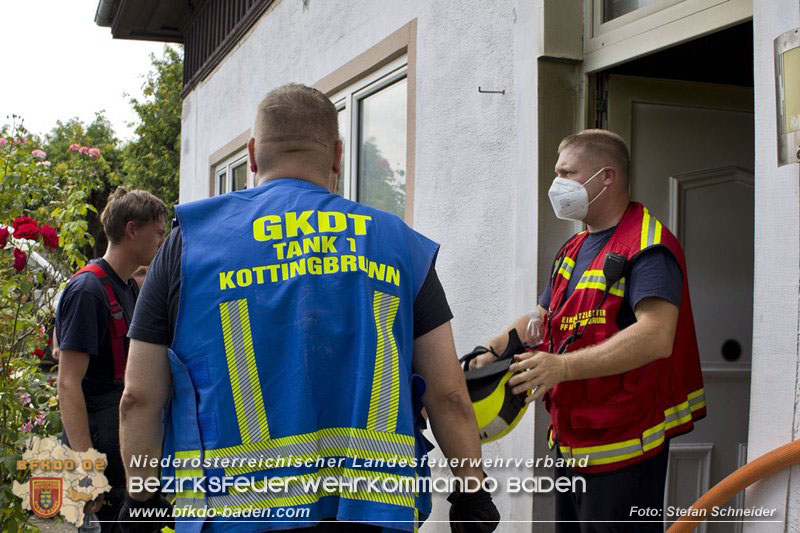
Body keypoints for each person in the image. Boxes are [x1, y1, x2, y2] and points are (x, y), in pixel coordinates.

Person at [118, 84, 499, 533]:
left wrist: (142, 499)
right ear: (338, 155)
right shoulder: (396, 244)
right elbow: (448, 394)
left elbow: (138, 397)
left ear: (253, 154)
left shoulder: (189, 244)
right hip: (371, 514)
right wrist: (471, 493)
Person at [474, 129, 705, 532]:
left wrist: (560, 368)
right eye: (556, 173)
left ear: (606, 177)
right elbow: (542, 317)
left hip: (624, 446)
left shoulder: (647, 246)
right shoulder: (576, 247)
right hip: (573, 440)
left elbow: (656, 335)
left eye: (567, 173)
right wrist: (494, 348)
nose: (556, 185)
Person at [56, 188, 167, 532]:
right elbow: (67, 383)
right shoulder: (88, 290)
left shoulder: (129, 287)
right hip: (96, 461)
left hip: (122, 459)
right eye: (159, 232)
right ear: (132, 229)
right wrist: (86, 468)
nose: (163, 241)